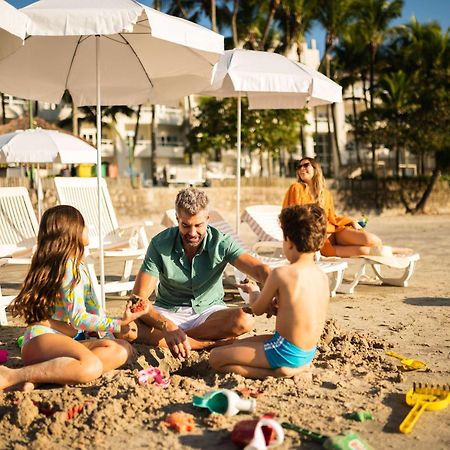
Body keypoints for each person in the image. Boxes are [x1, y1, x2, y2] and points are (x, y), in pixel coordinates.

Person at [0, 205, 149, 392]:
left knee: (121, 350)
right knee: (92, 366)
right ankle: (13, 375)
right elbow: (78, 318)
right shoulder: (69, 268)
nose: (88, 229)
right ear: (72, 231)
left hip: (64, 341)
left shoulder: (80, 266)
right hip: (43, 340)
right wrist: (118, 324)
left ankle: (40, 376)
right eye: (83, 224)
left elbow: (95, 311)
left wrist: (112, 336)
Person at [127, 188, 271, 359]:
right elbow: (137, 300)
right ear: (177, 218)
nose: (193, 233)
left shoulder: (221, 242)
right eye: (185, 225)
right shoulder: (160, 243)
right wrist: (167, 326)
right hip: (167, 311)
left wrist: (275, 289)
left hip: (209, 313)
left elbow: (259, 270)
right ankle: (205, 343)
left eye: (198, 225)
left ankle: (180, 339)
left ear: (207, 219)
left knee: (245, 320)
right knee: (125, 328)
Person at [209, 204, 329, 379]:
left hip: (284, 350)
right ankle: (293, 366)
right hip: (306, 351)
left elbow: (257, 309)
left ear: (289, 242)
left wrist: (254, 291)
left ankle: (281, 372)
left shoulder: (282, 273)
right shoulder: (322, 276)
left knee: (216, 357)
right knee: (235, 345)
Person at [282, 157, 383, 257]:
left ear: (315, 169)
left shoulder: (326, 194)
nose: (302, 169)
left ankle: (396, 251)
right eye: (299, 167)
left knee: (373, 240)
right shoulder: (296, 188)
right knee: (366, 251)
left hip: (335, 231)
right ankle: (396, 251)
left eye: (306, 165)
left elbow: (332, 217)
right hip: (319, 240)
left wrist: (350, 221)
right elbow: (290, 215)